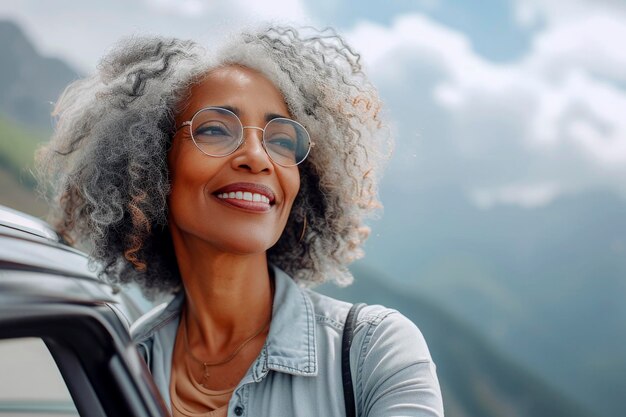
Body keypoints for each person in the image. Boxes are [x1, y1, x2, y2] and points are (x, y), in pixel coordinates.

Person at [37, 25, 444, 417]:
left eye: (282, 140)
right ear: (150, 164)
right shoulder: (119, 362)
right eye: (215, 130)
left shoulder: (373, 350)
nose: (257, 156)